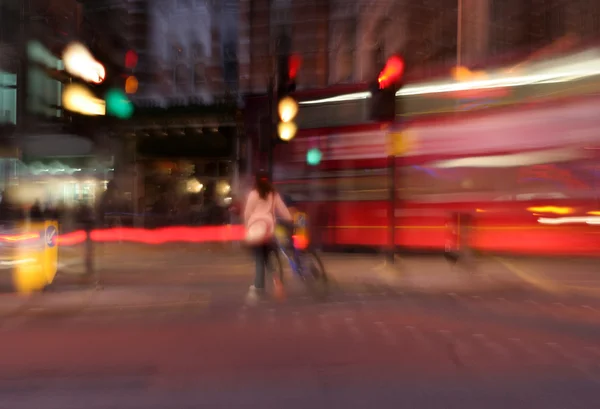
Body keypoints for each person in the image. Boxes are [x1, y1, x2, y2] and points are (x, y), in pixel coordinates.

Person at [244, 171, 292, 304]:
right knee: (268, 259)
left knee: (259, 259)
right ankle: (277, 282)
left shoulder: (253, 194)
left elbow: (247, 213)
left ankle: (258, 288)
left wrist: (248, 227)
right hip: (268, 230)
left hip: (255, 230)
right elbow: (282, 210)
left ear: (256, 180)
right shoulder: (273, 194)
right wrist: (289, 220)